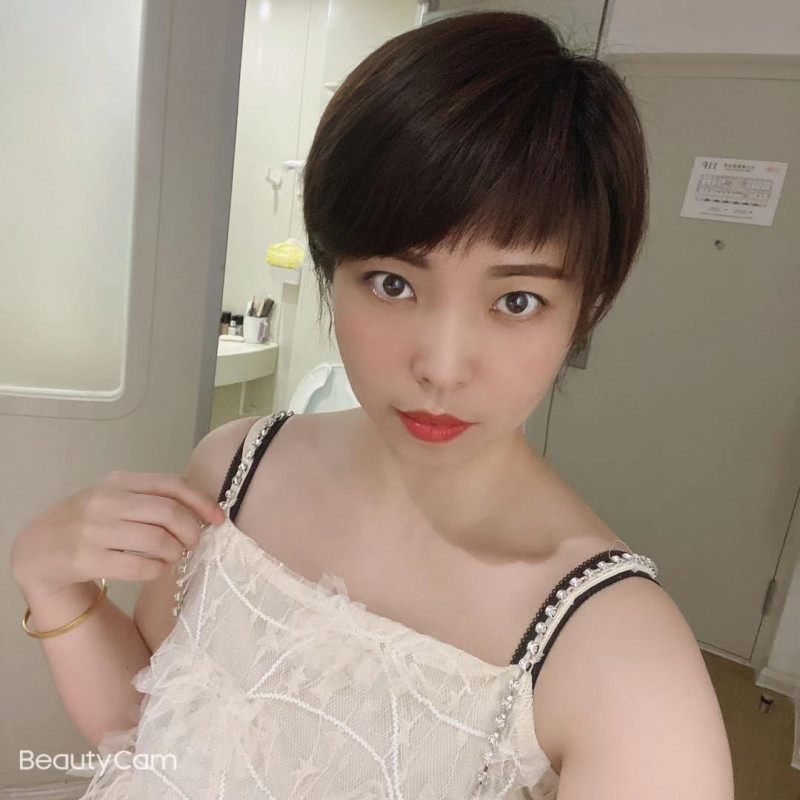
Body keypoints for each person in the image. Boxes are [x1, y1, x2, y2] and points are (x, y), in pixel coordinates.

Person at [10, 11, 734, 799]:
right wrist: (52, 582)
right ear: (333, 271)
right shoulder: (235, 468)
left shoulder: (624, 662)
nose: (441, 368)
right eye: (393, 283)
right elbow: (155, 736)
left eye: (516, 301)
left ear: (584, 310)